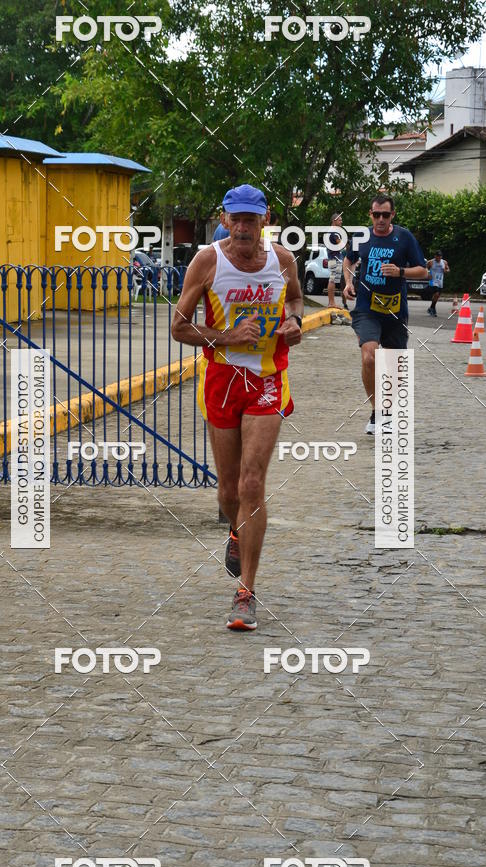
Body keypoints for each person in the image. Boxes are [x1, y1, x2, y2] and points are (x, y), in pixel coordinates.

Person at [171, 184, 303, 630]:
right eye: (236, 219)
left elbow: (297, 298)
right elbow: (179, 327)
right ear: (225, 219)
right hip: (222, 379)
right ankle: (234, 530)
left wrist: (295, 321)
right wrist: (229, 337)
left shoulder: (283, 260)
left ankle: (245, 592)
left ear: (265, 218)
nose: (244, 227)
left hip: (267, 378)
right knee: (228, 490)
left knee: (251, 482)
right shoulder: (208, 261)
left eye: (252, 218)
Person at [343, 193, 428, 435]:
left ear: (393, 215)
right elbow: (348, 262)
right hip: (366, 308)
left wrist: (400, 271)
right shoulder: (362, 237)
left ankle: (384, 411)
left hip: (395, 311)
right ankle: (377, 411)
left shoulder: (404, 237)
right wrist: (348, 283)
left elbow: (423, 271)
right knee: (370, 358)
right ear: (370, 215)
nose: (380, 219)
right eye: (376, 214)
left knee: (392, 367)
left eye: (385, 215)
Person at [327, 212, 348, 311]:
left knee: (333, 279)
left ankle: (331, 302)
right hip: (335, 257)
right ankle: (331, 303)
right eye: (340, 220)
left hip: (332, 256)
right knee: (333, 279)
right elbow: (341, 245)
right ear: (334, 221)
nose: (341, 221)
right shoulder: (334, 232)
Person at [425, 250, 450, 317]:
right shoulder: (430, 262)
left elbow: (448, 269)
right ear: (435, 256)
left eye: (440, 256)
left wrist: (446, 270)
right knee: (436, 294)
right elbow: (425, 268)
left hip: (440, 281)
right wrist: (428, 273)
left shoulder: (444, 262)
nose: (439, 258)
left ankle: (431, 308)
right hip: (432, 280)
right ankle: (433, 309)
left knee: (437, 296)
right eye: (437, 256)